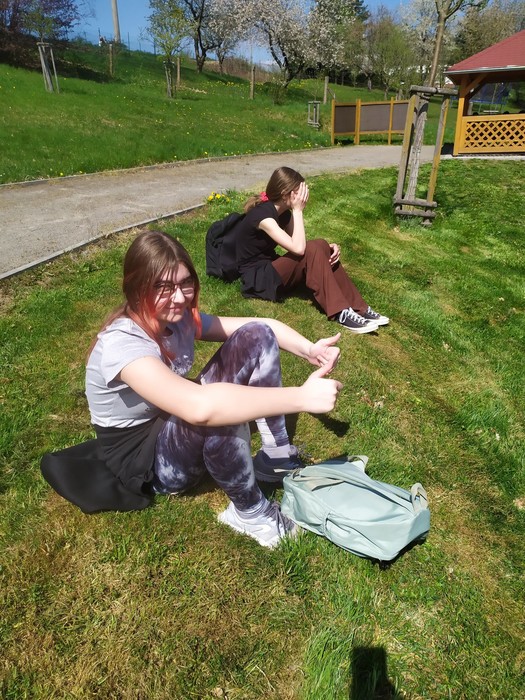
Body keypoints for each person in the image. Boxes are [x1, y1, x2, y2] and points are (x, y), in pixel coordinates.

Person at [85, 229, 342, 548]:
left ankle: (275, 458)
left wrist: (309, 349)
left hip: (168, 417)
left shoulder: (174, 318)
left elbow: (262, 328)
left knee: (256, 335)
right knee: (221, 409)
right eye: (163, 287)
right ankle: (249, 513)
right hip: (145, 459)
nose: (180, 297)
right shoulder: (122, 344)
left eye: (185, 283)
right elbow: (201, 408)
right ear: (136, 288)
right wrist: (301, 398)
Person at [235, 166, 389, 334]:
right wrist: (298, 211)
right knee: (314, 247)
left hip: (270, 268)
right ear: (285, 193)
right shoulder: (262, 216)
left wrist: (326, 249)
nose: (303, 196)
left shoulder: (284, 214)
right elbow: (300, 249)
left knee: (320, 245)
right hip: (258, 280)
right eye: (299, 191)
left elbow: (300, 243)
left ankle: (360, 308)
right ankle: (340, 312)